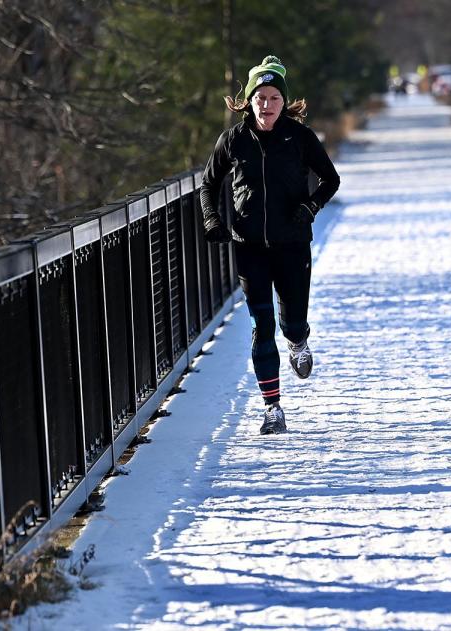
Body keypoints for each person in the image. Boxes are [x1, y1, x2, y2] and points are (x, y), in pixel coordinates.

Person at [199, 55, 340, 435]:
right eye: (260, 97)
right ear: (249, 100)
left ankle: (298, 342)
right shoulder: (233, 140)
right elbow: (209, 184)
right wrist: (213, 219)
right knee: (262, 326)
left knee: (290, 323)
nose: (267, 105)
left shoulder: (300, 137)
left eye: (274, 97)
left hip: (293, 244)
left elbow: (330, 180)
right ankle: (272, 408)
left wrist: (309, 208)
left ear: (284, 101)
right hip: (250, 246)